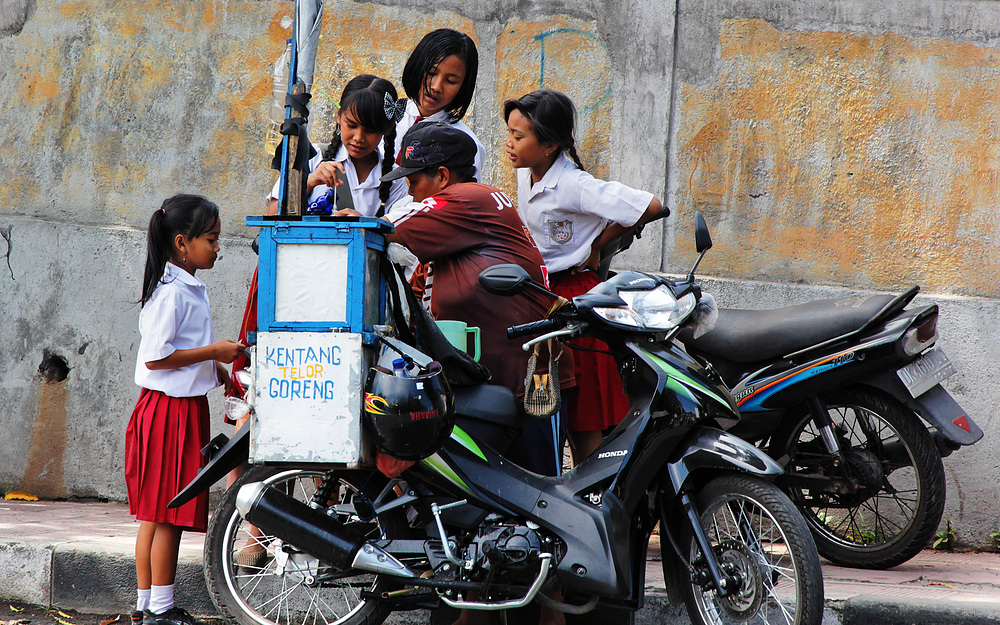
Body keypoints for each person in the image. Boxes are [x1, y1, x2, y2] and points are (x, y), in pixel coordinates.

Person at [340, 121, 572, 478]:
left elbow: (386, 228)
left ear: (444, 176)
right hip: (490, 385)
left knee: (540, 493)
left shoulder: (469, 199)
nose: (412, 195)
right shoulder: (452, 234)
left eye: (415, 183)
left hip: (531, 380)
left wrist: (358, 222)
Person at [503, 89, 666, 464]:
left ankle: (596, 500)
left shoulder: (575, 184)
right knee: (549, 400)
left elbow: (652, 206)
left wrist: (597, 244)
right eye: (509, 134)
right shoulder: (529, 175)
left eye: (518, 136)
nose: (510, 144)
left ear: (549, 145)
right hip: (543, 296)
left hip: (575, 297)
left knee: (584, 411)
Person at [125, 194, 245, 625]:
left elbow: (182, 350)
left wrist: (219, 368)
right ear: (182, 242)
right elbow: (157, 357)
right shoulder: (172, 294)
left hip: (177, 408)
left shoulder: (185, 287)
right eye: (211, 240)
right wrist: (215, 350)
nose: (217, 248)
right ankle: (159, 608)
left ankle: (145, 605)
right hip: (168, 413)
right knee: (167, 514)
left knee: (154, 513)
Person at [265, 74, 409, 216]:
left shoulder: (395, 181)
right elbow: (271, 218)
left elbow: (398, 236)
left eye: (370, 130)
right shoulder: (311, 156)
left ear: (388, 129)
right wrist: (308, 183)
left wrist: (365, 227)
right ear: (339, 116)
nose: (359, 138)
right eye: (352, 125)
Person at [393, 28, 487, 182]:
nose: (436, 87)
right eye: (431, 73)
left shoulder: (466, 144)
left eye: (451, 81)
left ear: (463, 87)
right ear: (417, 66)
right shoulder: (385, 117)